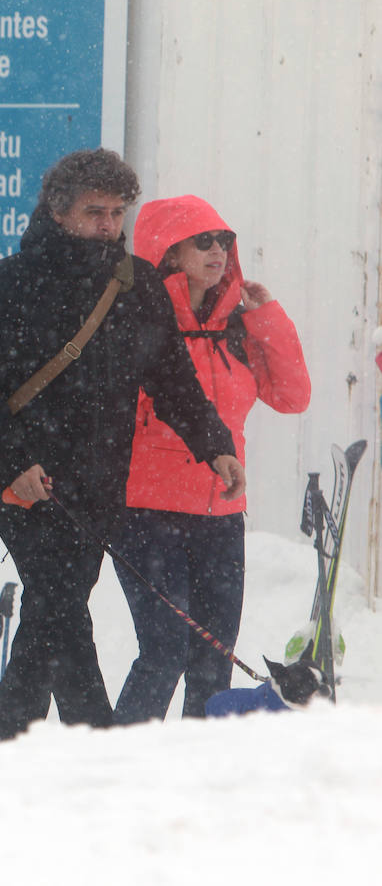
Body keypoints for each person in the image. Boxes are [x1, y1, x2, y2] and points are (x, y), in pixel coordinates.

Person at [0, 148, 247, 745]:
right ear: (57, 212)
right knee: (58, 609)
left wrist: (214, 444)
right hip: (23, 486)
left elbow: (173, 384)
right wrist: (15, 463)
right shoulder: (9, 283)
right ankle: (54, 752)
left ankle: (49, 752)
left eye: (117, 212)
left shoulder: (136, 288)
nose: (108, 225)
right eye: (94, 212)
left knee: (57, 618)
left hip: (99, 487)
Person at [112, 195, 310, 723]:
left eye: (224, 241)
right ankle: (115, 765)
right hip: (148, 513)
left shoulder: (236, 330)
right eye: (203, 241)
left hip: (222, 517)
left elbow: (293, 397)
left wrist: (265, 316)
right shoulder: (136, 321)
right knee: (164, 653)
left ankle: (198, 779)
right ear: (168, 251)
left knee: (213, 660)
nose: (218, 251)